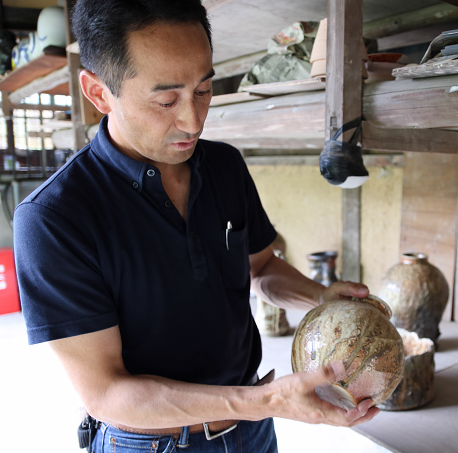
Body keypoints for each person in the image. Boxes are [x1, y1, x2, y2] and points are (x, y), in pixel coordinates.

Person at [13, 1, 378, 452]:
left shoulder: (224, 166)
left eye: (203, 90)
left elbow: (261, 268)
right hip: (151, 443)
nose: (193, 120)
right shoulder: (54, 218)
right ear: (98, 93)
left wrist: (320, 299)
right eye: (166, 100)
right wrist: (265, 401)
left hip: (252, 431)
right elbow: (107, 394)